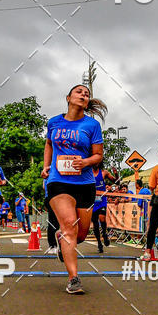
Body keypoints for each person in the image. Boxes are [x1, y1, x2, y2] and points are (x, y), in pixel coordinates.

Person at [42, 84, 106, 294]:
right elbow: (49, 144)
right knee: (70, 225)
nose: (83, 95)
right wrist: (46, 166)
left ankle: (62, 240)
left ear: (87, 103)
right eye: (79, 92)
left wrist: (85, 162)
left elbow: (98, 155)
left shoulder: (92, 125)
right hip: (58, 181)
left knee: (80, 234)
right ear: (68, 98)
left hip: (85, 184)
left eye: (87, 94)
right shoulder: (54, 122)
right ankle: (74, 279)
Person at [92, 163, 110, 253]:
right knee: (95, 224)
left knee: (102, 218)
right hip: (92, 201)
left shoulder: (103, 172)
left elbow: (116, 181)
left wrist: (116, 174)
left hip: (102, 200)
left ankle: (104, 233)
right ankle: (99, 243)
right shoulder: (88, 173)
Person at [43, 177, 60, 255]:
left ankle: (53, 245)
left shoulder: (46, 173)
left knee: (52, 221)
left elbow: (44, 187)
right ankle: (53, 245)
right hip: (55, 198)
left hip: (48, 198)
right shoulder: (55, 173)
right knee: (55, 222)